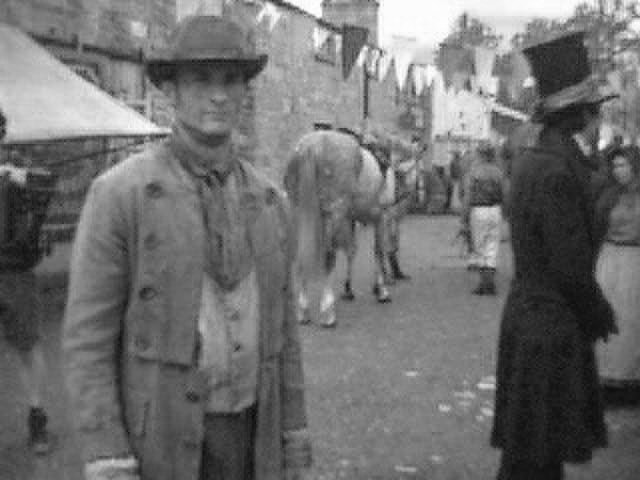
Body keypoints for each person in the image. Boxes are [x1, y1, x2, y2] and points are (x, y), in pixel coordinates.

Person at [62, 15, 311, 480]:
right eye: (199, 79)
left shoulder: (271, 201)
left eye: (230, 80)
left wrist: (292, 432)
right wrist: (108, 454)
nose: (218, 95)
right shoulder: (121, 195)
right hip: (161, 440)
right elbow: (87, 340)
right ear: (170, 90)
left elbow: (285, 337)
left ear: (244, 91)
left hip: (254, 436)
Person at [491, 32, 618, 480]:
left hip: (532, 318)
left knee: (531, 453)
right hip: (549, 326)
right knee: (535, 457)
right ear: (579, 115)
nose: (597, 119)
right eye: (594, 111)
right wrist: (597, 310)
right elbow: (570, 266)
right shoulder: (555, 170)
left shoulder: (537, 159)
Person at [0, 109, 56, 455]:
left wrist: (17, 176)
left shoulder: (16, 167)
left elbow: (46, 184)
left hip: (15, 273)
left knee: (27, 345)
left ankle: (38, 417)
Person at [595, 145, 640, 406]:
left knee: (633, 323)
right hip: (610, 261)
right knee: (611, 319)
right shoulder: (609, 195)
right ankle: (606, 378)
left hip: (635, 262)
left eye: (624, 165)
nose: (619, 171)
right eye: (616, 166)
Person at [461, 142, 503, 295]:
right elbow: (505, 193)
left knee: (480, 247)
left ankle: (484, 283)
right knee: (492, 246)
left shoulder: (474, 172)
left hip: (479, 210)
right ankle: (490, 283)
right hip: (496, 210)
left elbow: (468, 196)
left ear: (480, 154)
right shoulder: (498, 172)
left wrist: (463, 218)